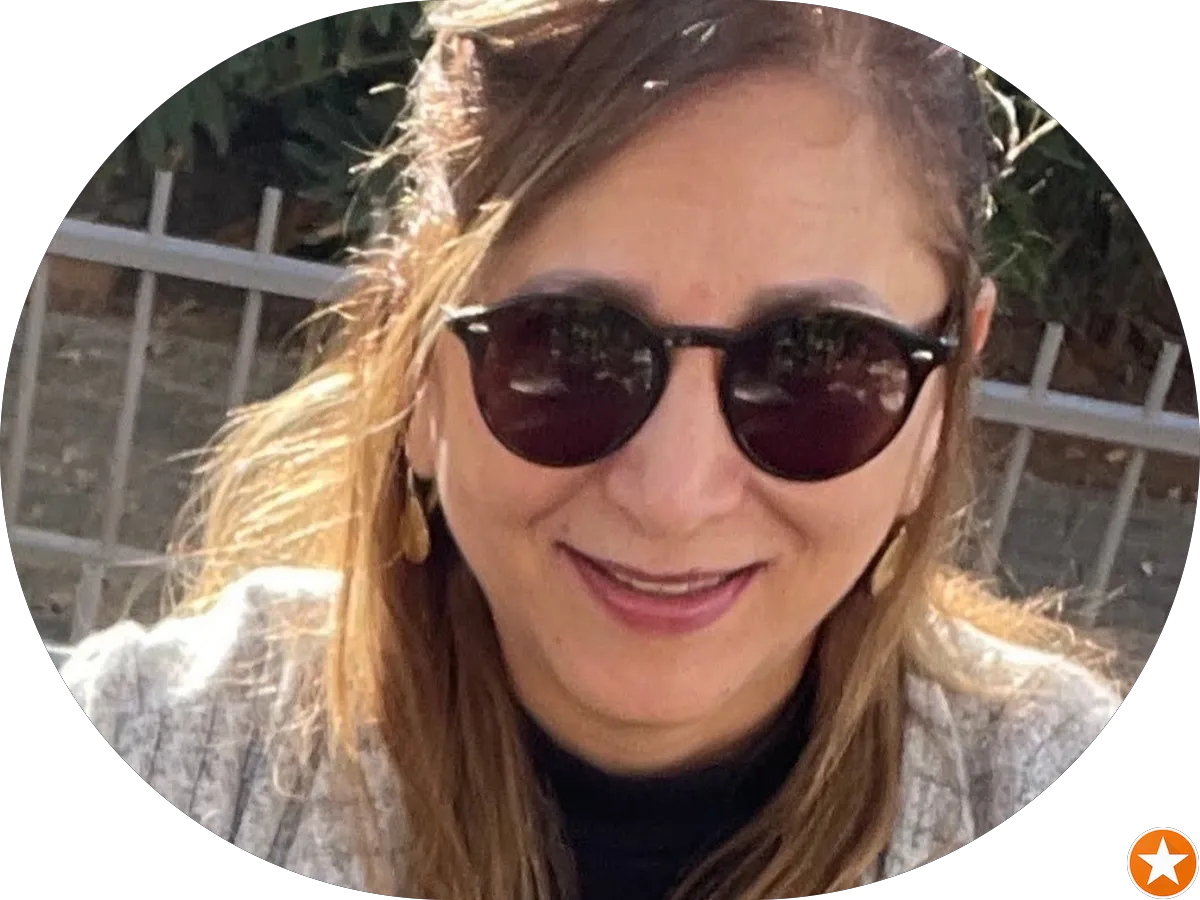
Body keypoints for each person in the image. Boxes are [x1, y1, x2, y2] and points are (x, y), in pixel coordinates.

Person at [47, 2, 1123, 898]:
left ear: (947, 391)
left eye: (817, 366)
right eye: (566, 351)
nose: (674, 494)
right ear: (412, 362)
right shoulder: (169, 747)